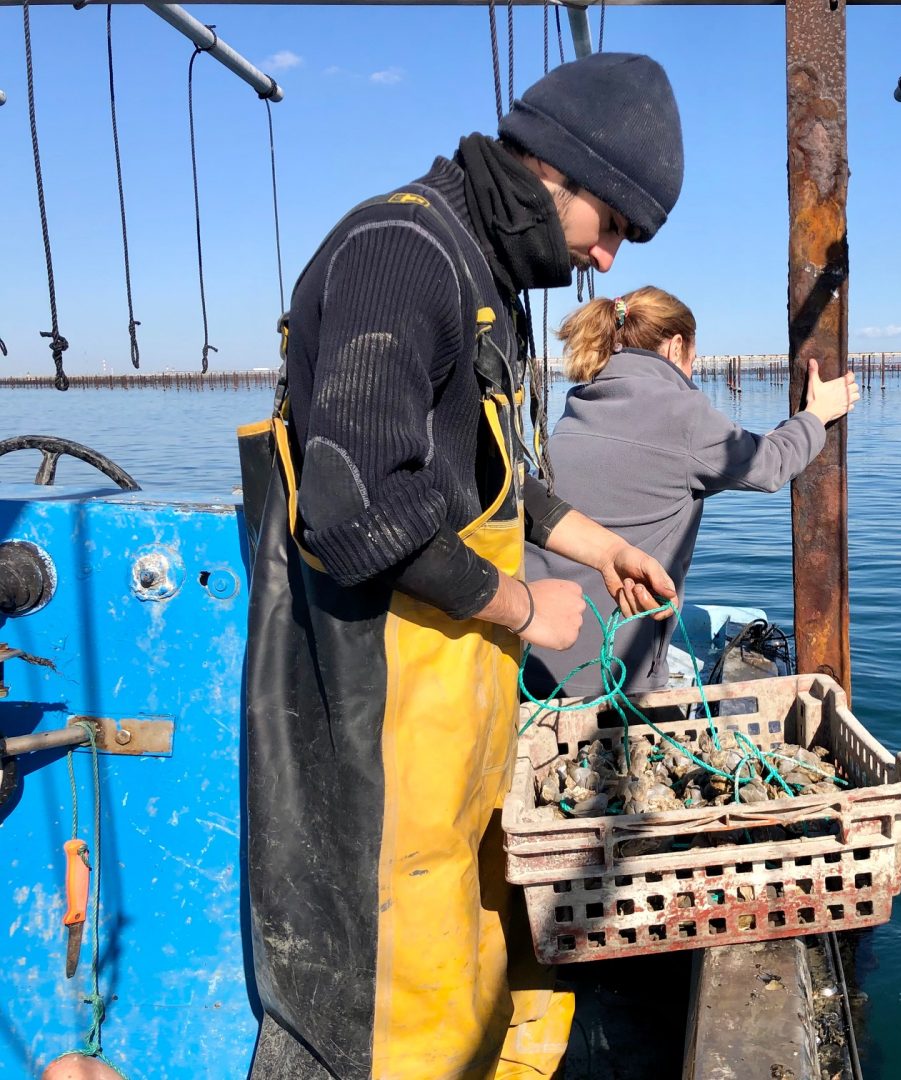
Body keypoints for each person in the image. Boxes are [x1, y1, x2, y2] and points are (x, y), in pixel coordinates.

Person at [241, 54, 683, 1080]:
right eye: (611, 224)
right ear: (555, 172)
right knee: (374, 1012)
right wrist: (527, 606)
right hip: (371, 739)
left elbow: (492, 480)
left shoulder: (481, 274)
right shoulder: (399, 250)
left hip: (453, 733)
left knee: (472, 986)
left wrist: (599, 546)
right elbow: (354, 518)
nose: (608, 263)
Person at [523, 286, 859, 699]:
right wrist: (816, 414)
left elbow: (656, 475)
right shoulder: (681, 413)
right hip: (609, 679)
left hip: (532, 659)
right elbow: (770, 467)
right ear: (676, 346)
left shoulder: (582, 403)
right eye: (694, 360)